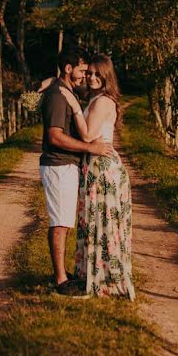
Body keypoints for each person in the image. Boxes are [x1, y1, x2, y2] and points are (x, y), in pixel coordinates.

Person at [58, 53, 135, 300]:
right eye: (89, 73)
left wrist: (72, 105)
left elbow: (89, 136)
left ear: (106, 76)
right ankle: (91, 275)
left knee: (102, 222)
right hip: (95, 166)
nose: (91, 77)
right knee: (94, 221)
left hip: (103, 168)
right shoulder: (96, 98)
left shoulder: (102, 102)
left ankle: (104, 280)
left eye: (96, 74)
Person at [39, 47, 113, 297]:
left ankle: (62, 274)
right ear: (69, 69)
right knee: (60, 223)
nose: (85, 76)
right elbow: (55, 136)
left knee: (65, 222)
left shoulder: (64, 90)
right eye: (83, 70)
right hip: (58, 164)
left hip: (66, 165)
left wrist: (50, 81)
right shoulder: (59, 96)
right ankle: (61, 279)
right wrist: (89, 147)